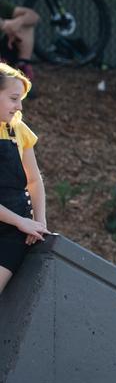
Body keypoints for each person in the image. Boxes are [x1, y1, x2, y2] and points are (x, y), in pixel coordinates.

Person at [0, 63, 46, 296]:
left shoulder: (19, 131)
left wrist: (39, 222)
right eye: (13, 98)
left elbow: (34, 181)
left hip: (13, 234)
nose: (19, 107)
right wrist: (20, 221)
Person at [0, 4, 39, 82]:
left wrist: (18, 22)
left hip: (7, 48)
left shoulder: (2, 6)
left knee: (25, 24)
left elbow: (34, 16)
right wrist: (5, 25)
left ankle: (23, 67)